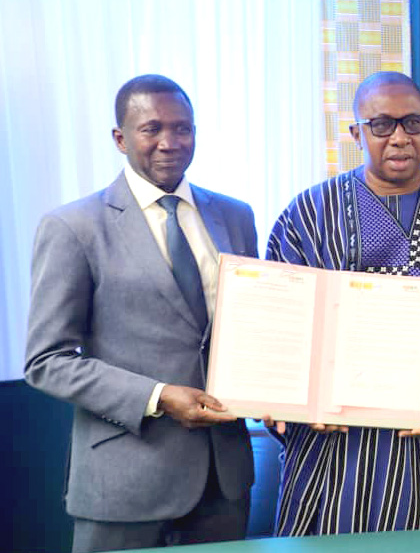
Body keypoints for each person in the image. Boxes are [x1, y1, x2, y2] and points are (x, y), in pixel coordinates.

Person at [265, 71, 420, 535]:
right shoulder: (310, 213)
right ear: (356, 133)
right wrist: (300, 398)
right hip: (336, 441)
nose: (400, 137)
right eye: (382, 124)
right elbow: (280, 320)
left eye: (413, 123)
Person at [24, 74, 258, 551]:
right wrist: (158, 396)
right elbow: (47, 361)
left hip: (224, 482)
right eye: (152, 129)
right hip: (124, 481)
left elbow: (249, 328)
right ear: (120, 138)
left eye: (182, 128)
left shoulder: (235, 216)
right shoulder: (73, 227)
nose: (170, 142)